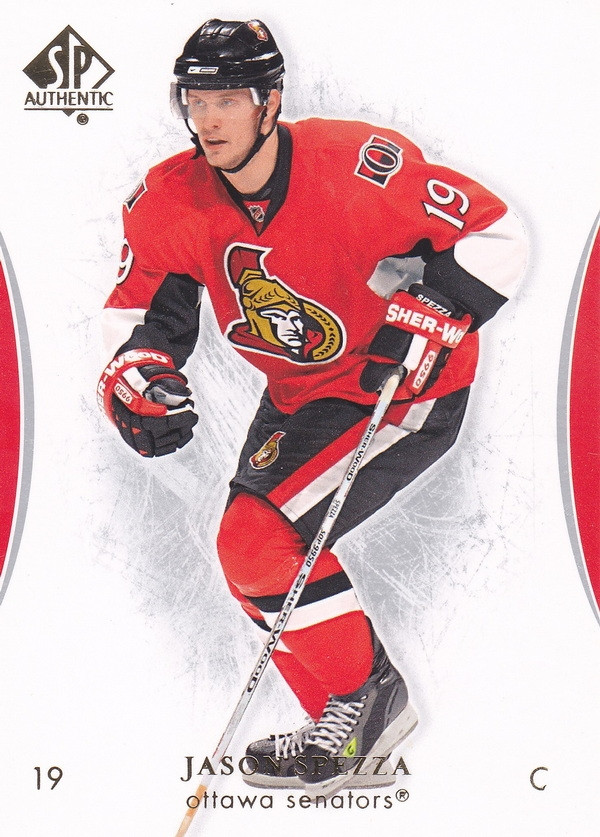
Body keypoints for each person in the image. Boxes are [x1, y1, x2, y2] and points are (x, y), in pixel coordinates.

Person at [98, 18, 527, 797]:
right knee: (246, 557)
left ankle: (367, 701)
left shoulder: (355, 166)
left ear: (270, 102)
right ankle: (346, 710)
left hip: (400, 389)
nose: (209, 120)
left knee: (259, 543)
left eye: (229, 99)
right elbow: (141, 319)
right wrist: (137, 375)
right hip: (301, 395)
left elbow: (497, 232)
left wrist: (437, 303)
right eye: (197, 101)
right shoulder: (171, 200)